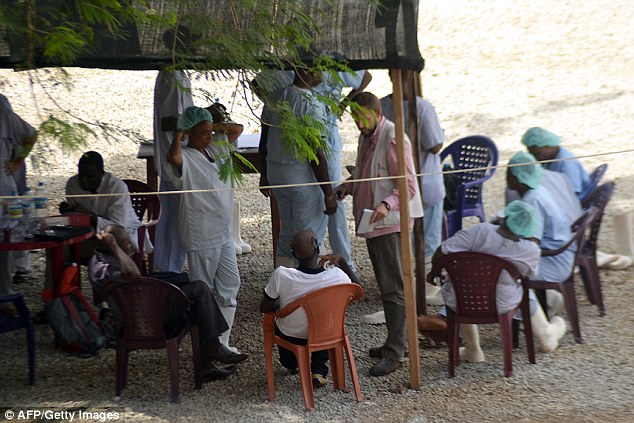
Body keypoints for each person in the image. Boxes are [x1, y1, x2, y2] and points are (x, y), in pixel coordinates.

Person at [334, 91, 423, 376]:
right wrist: (349, 186)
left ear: (375, 112)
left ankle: (396, 352)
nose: (359, 124)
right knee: (387, 286)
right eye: (355, 119)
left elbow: (408, 185)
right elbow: (366, 172)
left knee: (394, 287)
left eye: (362, 118)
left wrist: (387, 203)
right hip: (373, 224)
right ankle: (396, 342)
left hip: (390, 223)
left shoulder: (393, 137)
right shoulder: (367, 136)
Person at [88, 225, 247, 382]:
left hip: (144, 309)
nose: (130, 243)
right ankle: (213, 347)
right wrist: (116, 248)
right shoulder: (103, 266)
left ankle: (208, 362)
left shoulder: (104, 259)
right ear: (112, 245)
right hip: (145, 321)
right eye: (126, 241)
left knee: (197, 299)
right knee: (199, 290)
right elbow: (134, 275)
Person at [420, 201, 567, 362]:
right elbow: (528, 275)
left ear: (505, 218)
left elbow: (442, 251)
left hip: (463, 300)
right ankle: (548, 333)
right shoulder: (530, 250)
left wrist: (434, 273)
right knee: (520, 288)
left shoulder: (480, 230)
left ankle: (473, 349)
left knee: (463, 287)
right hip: (502, 303)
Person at [166, 106, 242, 353]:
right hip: (201, 233)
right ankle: (206, 350)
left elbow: (237, 129)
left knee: (231, 284)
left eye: (210, 133)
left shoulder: (216, 149)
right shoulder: (185, 156)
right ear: (189, 133)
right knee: (204, 291)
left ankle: (223, 344)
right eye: (203, 133)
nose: (209, 137)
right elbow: (172, 159)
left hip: (223, 232)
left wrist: (211, 125)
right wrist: (180, 133)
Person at [258, 68, 338, 268]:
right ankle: (307, 289)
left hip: (278, 176)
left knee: (287, 233)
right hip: (301, 180)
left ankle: (283, 283)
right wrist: (328, 192)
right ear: (309, 71)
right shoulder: (310, 103)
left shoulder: (275, 96)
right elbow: (315, 152)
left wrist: (265, 173)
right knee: (308, 238)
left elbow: (264, 138)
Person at [259, 229, 359, 387]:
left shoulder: (282, 275)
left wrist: (281, 305)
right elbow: (358, 290)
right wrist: (341, 260)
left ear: (293, 253)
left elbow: (264, 307)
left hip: (292, 335)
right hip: (327, 334)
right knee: (321, 320)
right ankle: (318, 370)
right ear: (317, 248)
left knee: (285, 325)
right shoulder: (337, 276)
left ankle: (292, 365)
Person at [379, 74, 446, 261]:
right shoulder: (422, 107)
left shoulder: (382, 105)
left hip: (395, 187)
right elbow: (434, 145)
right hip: (423, 184)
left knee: (403, 246)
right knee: (428, 247)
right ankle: (425, 285)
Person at [505, 151, 581, 315]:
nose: (506, 178)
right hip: (561, 255)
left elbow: (532, 244)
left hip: (553, 262)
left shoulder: (532, 200)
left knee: (496, 272)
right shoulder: (537, 191)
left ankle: (530, 319)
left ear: (517, 177)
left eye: (508, 173)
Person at [315, 70, 372, 275]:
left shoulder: (333, 65)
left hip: (327, 139)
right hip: (302, 141)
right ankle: (313, 262)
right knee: (310, 200)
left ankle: (345, 264)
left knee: (333, 197)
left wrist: (344, 103)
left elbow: (365, 76)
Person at [60, 151, 146, 255]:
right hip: (90, 234)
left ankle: (125, 270)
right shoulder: (72, 184)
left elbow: (117, 226)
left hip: (124, 234)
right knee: (58, 247)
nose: (84, 180)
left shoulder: (116, 187)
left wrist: (89, 216)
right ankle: (68, 270)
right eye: (81, 175)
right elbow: (77, 220)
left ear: (101, 174)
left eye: (89, 176)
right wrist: (68, 212)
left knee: (118, 238)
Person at [152, 70, 193, 273]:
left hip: (177, 160)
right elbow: (169, 121)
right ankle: (168, 273)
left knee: (174, 222)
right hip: (175, 161)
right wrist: (200, 119)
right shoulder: (171, 77)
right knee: (174, 225)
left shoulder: (178, 74)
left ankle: (169, 271)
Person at [0, 94, 38, 314]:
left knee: (3, 244)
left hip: (3, 188)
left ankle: (4, 297)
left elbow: (30, 135)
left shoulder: (3, 113)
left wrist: (17, 161)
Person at [521, 127, 590, 198]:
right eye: (531, 154)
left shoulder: (566, 162)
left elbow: (572, 192)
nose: (535, 158)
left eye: (537, 154)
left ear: (547, 146)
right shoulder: (549, 159)